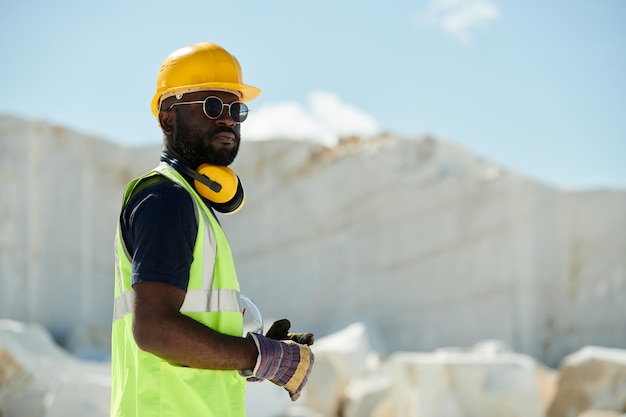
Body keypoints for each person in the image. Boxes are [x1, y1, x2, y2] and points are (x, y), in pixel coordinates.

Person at [110, 42, 314, 417]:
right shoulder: (166, 200)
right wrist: (259, 356)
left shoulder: (190, 201)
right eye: (212, 107)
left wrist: (250, 354)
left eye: (237, 109)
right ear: (168, 118)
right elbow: (154, 328)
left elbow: (188, 330)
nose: (228, 120)